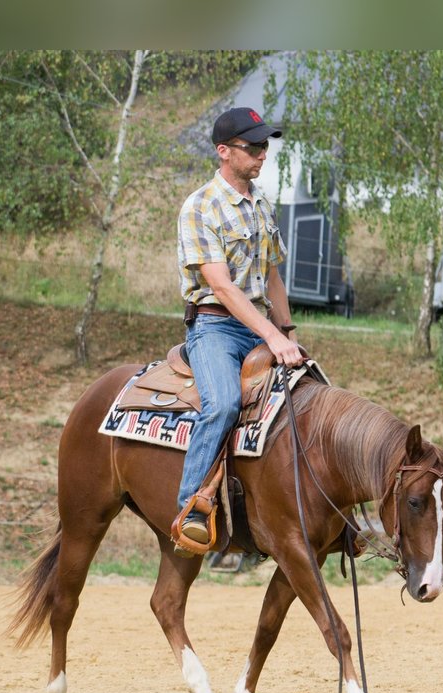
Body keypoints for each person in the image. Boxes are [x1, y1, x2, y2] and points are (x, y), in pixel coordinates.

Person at [175, 107, 305, 550]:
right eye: (253, 147)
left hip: (260, 328)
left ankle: (314, 514)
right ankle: (191, 509)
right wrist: (270, 336)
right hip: (214, 327)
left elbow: (272, 278)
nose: (263, 154)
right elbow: (223, 288)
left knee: (312, 397)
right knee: (224, 403)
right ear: (224, 151)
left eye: (265, 145)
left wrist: (286, 333)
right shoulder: (200, 206)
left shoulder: (261, 203)